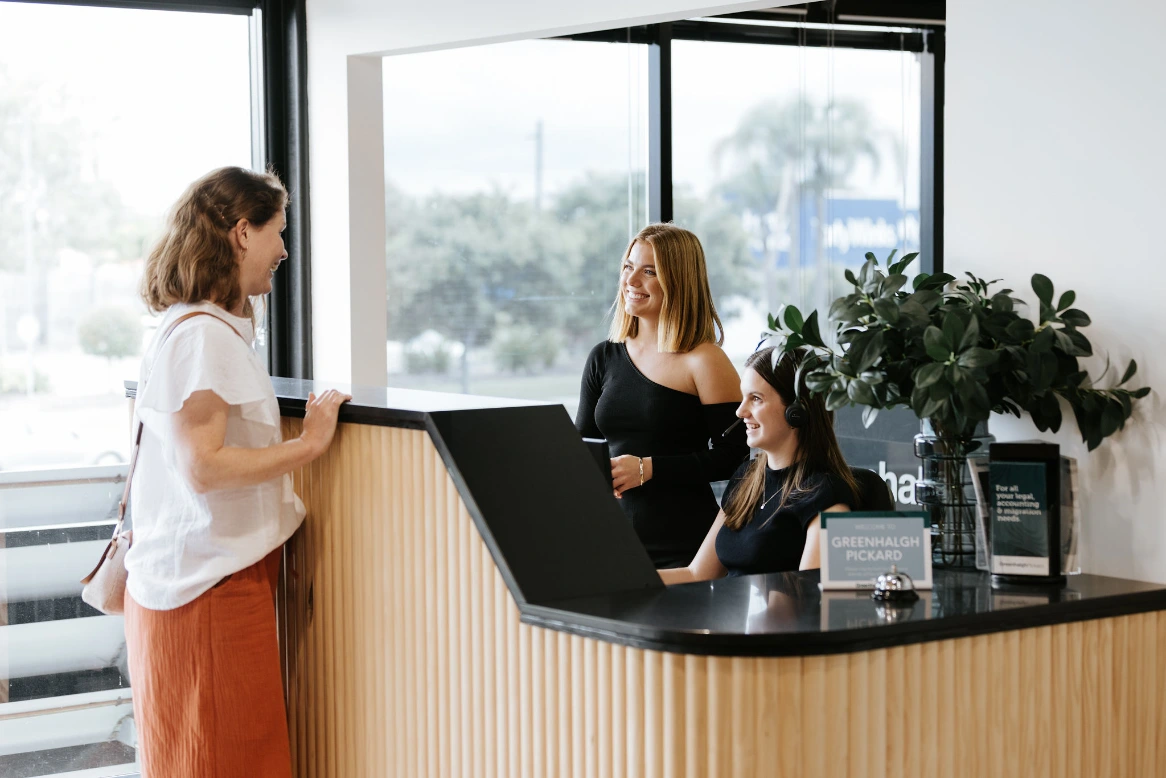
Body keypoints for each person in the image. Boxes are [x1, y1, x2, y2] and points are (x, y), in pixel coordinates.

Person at [124, 166, 350, 777]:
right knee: (233, 760)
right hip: (210, 591)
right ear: (241, 234)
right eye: (277, 233)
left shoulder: (193, 327)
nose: (282, 250)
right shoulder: (205, 337)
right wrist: (310, 446)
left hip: (197, 585)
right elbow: (203, 467)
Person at [575, 223, 748, 568]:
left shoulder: (704, 360)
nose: (632, 281)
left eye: (649, 271)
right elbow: (583, 449)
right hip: (611, 541)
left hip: (686, 548)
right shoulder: (603, 357)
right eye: (629, 266)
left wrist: (649, 469)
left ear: (679, 280)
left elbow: (736, 458)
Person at [660, 347, 858, 584]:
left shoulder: (826, 495)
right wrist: (622, 581)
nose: (740, 411)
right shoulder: (747, 477)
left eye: (756, 399)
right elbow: (696, 574)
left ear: (797, 411)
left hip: (771, 621)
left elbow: (810, 601)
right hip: (725, 618)